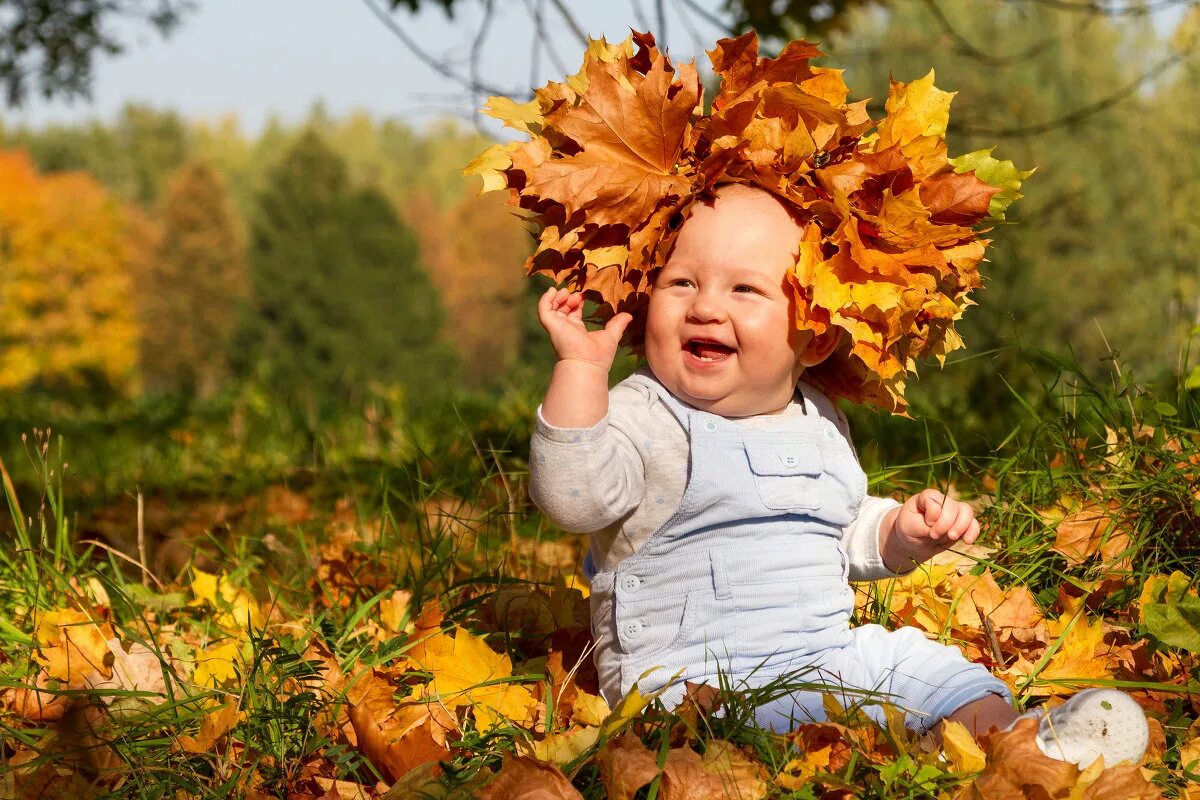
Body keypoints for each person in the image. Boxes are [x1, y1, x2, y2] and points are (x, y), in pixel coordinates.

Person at [527, 183, 1149, 768]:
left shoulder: (817, 421)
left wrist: (898, 534)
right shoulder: (643, 414)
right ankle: (922, 748)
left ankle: (1018, 744)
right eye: (682, 282)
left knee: (929, 668)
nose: (706, 306)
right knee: (763, 720)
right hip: (688, 682)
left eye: (745, 290)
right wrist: (580, 374)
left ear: (815, 339)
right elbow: (573, 500)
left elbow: (837, 522)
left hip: (821, 652)